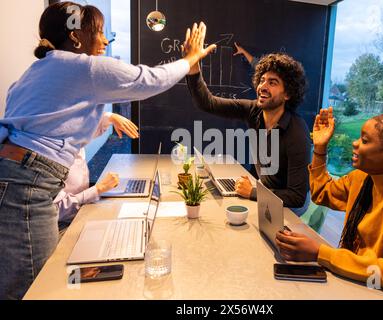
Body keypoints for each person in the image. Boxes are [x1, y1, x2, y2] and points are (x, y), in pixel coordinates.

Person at [0, 1, 215, 299]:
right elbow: (147, 79)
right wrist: (189, 60)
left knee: (41, 279)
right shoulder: (83, 67)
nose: (104, 40)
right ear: (76, 37)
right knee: (34, 289)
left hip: (22, 180)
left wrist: (106, 117)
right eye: (99, 32)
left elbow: (52, 124)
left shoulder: (36, 71)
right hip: (28, 187)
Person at [276, 108, 383, 300]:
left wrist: (321, 254)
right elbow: (322, 193)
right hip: (350, 282)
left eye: (365, 141)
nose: (355, 143)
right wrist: (320, 148)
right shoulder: (363, 178)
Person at [185, 51, 311, 209]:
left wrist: (252, 192)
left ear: (287, 94)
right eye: (262, 80)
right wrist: (192, 65)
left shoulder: (297, 133)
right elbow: (207, 103)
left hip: (290, 205)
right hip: (264, 189)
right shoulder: (254, 110)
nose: (263, 87)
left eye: (272, 83)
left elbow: (296, 197)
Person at [55, 112, 138, 232]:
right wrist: (98, 189)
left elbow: (87, 130)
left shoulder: (68, 135)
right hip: (63, 226)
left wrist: (111, 118)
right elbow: (56, 210)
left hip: (81, 209)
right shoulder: (48, 154)